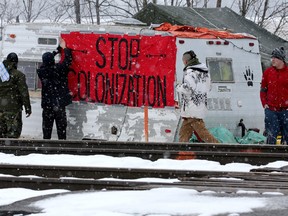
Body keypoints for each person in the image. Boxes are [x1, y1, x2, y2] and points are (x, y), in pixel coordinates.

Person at [175, 50, 219, 143]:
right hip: (199, 105)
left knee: (202, 133)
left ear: (186, 61)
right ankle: (182, 151)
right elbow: (209, 86)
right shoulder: (204, 72)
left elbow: (188, 88)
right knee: (184, 132)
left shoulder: (190, 72)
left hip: (192, 107)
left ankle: (219, 147)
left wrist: (178, 87)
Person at [37, 38, 72, 140]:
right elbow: (68, 60)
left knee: (47, 132)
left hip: (47, 106)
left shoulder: (42, 72)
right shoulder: (59, 69)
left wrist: (57, 50)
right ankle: (62, 150)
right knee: (62, 132)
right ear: (52, 60)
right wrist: (65, 49)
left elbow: (47, 61)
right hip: (59, 105)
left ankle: (45, 149)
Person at [260, 47, 288, 144]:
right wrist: (265, 104)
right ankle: (270, 155)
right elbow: (263, 90)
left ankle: (284, 155)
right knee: (271, 134)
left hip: (286, 110)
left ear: (281, 59)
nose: (272, 60)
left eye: (275, 58)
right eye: (272, 58)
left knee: (287, 135)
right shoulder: (268, 72)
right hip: (271, 110)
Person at [0, 52, 32, 138]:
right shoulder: (19, 75)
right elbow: (24, 93)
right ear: (16, 62)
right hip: (13, 110)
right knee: (13, 136)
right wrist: (28, 108)